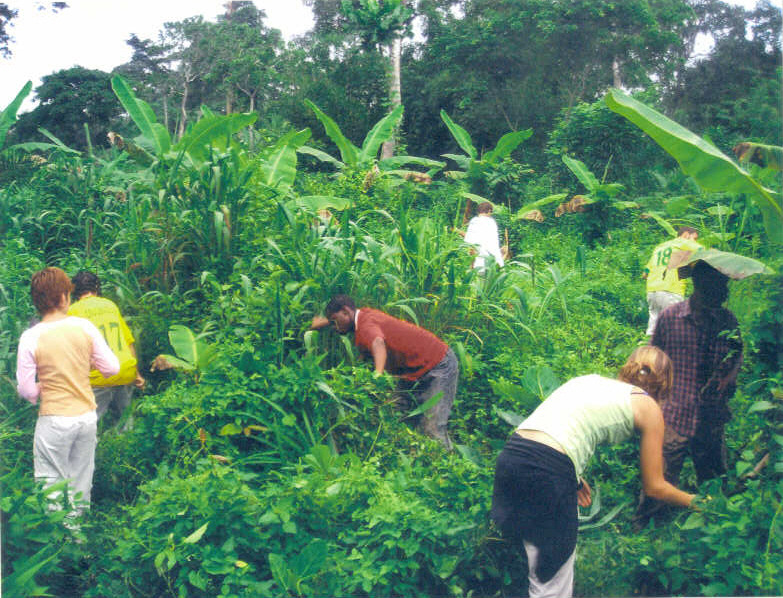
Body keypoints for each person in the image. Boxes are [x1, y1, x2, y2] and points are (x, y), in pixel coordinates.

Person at [491, 346, 696, 598]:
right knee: (551, 586)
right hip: (547, 470)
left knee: (536, 565)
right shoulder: (649, 407)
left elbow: (555, 426)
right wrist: (700, 504)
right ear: (665, 385)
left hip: (512, 459)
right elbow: (655, 486)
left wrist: (573, 480)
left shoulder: (590, 381)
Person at [635, 260, 742, 526]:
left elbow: (737, 354)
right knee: (661, 472)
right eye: (718, 286)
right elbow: (653, 356)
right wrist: (648, 396)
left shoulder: (727, 320)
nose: (724, 292)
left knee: (714, 475)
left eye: (724, 285)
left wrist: (728, 378)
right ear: (700, 284)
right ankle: (646, 524)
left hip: (711, 413)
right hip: (674, 410)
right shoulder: (671, 318)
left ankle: (716, 520)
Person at [16, 267, 120, 521]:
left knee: (51, 480)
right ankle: (79, 535)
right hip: (85, 416)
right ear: (63, 298)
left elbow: (26, 389)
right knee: (81, 477)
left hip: (54, 418)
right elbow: (112, 368)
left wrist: (43, 388)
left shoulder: (30, 337)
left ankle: (61, 539)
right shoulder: (84, 327)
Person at [311, 295, 458, 449]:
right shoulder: (362, 315)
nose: (334, 327)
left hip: (438, 364)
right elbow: (345, 321)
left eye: (335, 321)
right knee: (393, 415)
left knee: (432, 427)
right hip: (413, 371)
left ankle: (445, 467)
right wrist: (323, 322)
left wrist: (378, 375)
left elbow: (378, 342)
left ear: (346, 312)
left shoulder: (365, 325)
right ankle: (410, 459)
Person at [68, 271, 145, 429]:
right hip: (125, 371)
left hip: (98, 376)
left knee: (88, 425)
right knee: (126, 420)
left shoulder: (72, 311)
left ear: (74, 290)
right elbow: (128, 342)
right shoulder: (110, 305)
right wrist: (136, 373)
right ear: (97, 287)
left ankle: (94, 448)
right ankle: (129, 444)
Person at [643, 226, 701, 335]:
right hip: (670, 290)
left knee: (653, 326)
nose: (695, 241)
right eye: (694, 238)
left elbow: (645, 273)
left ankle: (648, 348)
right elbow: (703, 252)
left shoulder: (660, 247)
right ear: (686, 235)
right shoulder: (685, 243)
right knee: (674, 327)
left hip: (652, 290)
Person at [464, 201, 505, 270]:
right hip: (494, 261)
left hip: (479, 263)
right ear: (489, 211)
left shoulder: (474, 221)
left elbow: (470, 243)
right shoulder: (492, 222)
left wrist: (472, 263)